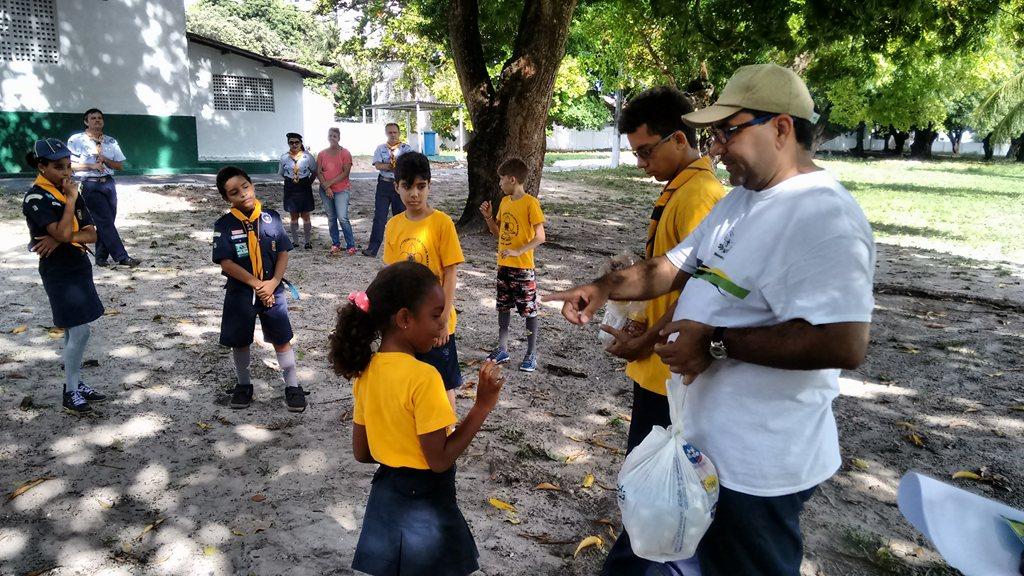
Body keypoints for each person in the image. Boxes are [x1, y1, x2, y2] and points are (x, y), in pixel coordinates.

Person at [545, 63, 875, 575]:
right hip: (705, 448)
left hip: (760, 466)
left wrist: (716, 342)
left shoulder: (823, 217)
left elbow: (843, 343)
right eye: (715, 133)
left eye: (728, 131)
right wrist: (603, 286)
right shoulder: (743, 201)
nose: (716, 146)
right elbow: (671, 268)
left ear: (781, 128)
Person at [596, 87, 725, 575]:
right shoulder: (678, 192)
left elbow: (701, 295)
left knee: (659, 489)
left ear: (678, 137)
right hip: (654, 367)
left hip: (671, 373)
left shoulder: (701, 197)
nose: (641, 164)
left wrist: (646, 340)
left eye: (646, 151)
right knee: (649, 479)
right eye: (636, 154)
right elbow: (668, 275)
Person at [328, 261, 504, 576]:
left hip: (386, 497)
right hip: (425, 503)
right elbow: (438, 459)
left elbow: (362, 452)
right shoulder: (424, 377)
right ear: (405, 319)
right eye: (436, 316)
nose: (442, 325)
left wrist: (395, 448)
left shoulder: (367, 372)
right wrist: (482, 406)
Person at [22, 138, 108, 414]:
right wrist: (70, 203)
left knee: (75, 330)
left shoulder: (69, 189)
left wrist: (61, 238)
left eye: (69, 166)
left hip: (78, 263)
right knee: (80, 330)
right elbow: (63, 232)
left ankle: (77, 382)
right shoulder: (37, 197)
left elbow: (92, 234)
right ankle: (70, 391)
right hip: (58, 269)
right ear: (41, 166)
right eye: (59, 167)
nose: (67, 172)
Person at [213, 166, 307, 413]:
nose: (243, 194)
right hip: (241, 292)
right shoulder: (224, 225)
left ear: (252, 185)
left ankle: (293, 386)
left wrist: (274, 282)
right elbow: (226, 262)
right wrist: (256, 284)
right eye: (234, 192)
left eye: (245, 186)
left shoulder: (271, 218)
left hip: (272, 289)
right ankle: (243, 385)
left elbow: (283, 251)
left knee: (282, 338)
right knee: (240, 340)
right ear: (227, 199)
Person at [382, 152, 465, 408]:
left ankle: (448, 433)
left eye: (420, 186)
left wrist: (442, 319)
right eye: (407, 187)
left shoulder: (442, 224)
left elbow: (450, 273)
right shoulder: (394, 225)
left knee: (442, 382)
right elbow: (390, 274)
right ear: (397, 187)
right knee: (410, 380)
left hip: (435, 323)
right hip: (406, 323)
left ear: (429, 185)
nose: (414, 194)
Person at [478, 158, 546, 372]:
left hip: (523, 268)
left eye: (501, 179)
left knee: (529, 310)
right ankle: (502, 348)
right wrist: (489, 218)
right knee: (503, 306)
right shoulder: (505, 202)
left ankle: (531, 353)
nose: (499, 184)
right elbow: (499, 234)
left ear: (512, 179)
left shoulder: (530, 203)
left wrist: (519, 251)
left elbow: (541, 236)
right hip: (503, 265)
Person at [67, 108, 141, 268]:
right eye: (93, 118)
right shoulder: (76, 140)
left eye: (100, 118)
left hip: (108, 183)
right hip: (90, 184)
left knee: (106, 221)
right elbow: (70, 166)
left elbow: (119, 166)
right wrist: (91, 165)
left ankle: (100, 258)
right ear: (86, 122)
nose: (97, 120)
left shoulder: (110, 141)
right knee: (105, 221)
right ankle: (122, 257)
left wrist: (105, 159)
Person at [362, 123, 413, 257]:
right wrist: (392, 166)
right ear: (386, 133)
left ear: (399, 133)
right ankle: (372, 248)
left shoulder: (406, 149)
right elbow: (378, 165)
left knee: (400, 217)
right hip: (384, 185)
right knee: (379, 217)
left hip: (399, 185)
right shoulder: (381, 148)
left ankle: (402, 248)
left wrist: (391, 167)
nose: (392, 135)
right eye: (390, 132)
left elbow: (409, 166)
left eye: (395, 132)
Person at [316, 127, 357, 255]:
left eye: (335, 136)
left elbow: (345, 173)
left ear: (339, 138)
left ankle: (351, 245)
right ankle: (335, 244)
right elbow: (318, 172)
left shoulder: (345, 153)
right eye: (330, 135)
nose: (332, 138)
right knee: (331, 218)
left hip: (341, 190)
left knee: (342, 217)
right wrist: (326, 187)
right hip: (325, 190)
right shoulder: (322, 154)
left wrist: (330, 183)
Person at [278, 132, 317, 250]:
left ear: (301, 143)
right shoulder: (284, 158)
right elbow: (281, 173)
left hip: (304, 186)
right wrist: (291, 181)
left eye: (297, 142)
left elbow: (314, 171)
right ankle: (295, 241)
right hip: (291, 187)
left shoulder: (307, 157)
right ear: (288, 143)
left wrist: (307, 183)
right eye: (291, 142)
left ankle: (307, 242)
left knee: (306, 215)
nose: (294, 145)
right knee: (293, 216)